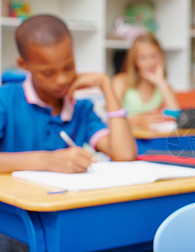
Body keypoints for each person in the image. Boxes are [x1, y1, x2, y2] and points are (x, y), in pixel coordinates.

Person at [0, 14, 137, 174]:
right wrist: (48, 161)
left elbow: (125, 155)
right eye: (48, 73)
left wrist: (106, 85)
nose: (62, 80)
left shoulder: (81, 109)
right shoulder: (5, 100)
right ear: (23, 65)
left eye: (68, 67)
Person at [112, 33, 180, 131]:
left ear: (161, 56)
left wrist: (160, 82)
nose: (150, 63)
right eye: (143, 58)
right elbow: (111, 118)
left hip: (151, 140)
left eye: (154, 56)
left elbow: (175, 117)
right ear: (134, 61)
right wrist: (137, 121)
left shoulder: (163, 86)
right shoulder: (120, 81)